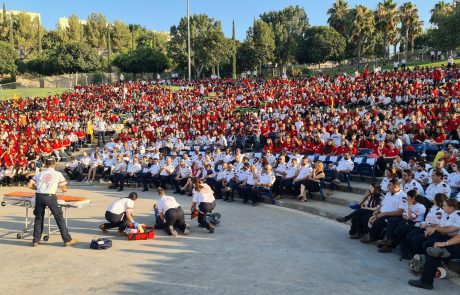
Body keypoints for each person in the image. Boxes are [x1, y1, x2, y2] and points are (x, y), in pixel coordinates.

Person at [27, 159, 78, 247]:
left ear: (46, 165)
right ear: (54, 165)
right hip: (50, 197)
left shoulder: (40, 173)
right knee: (59, 218)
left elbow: (29, 185)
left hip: (39, 196)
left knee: (39, 218)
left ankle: (35, 240)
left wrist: (38, 189)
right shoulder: (58, 174)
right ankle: (67, 240)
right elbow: (64, 189)